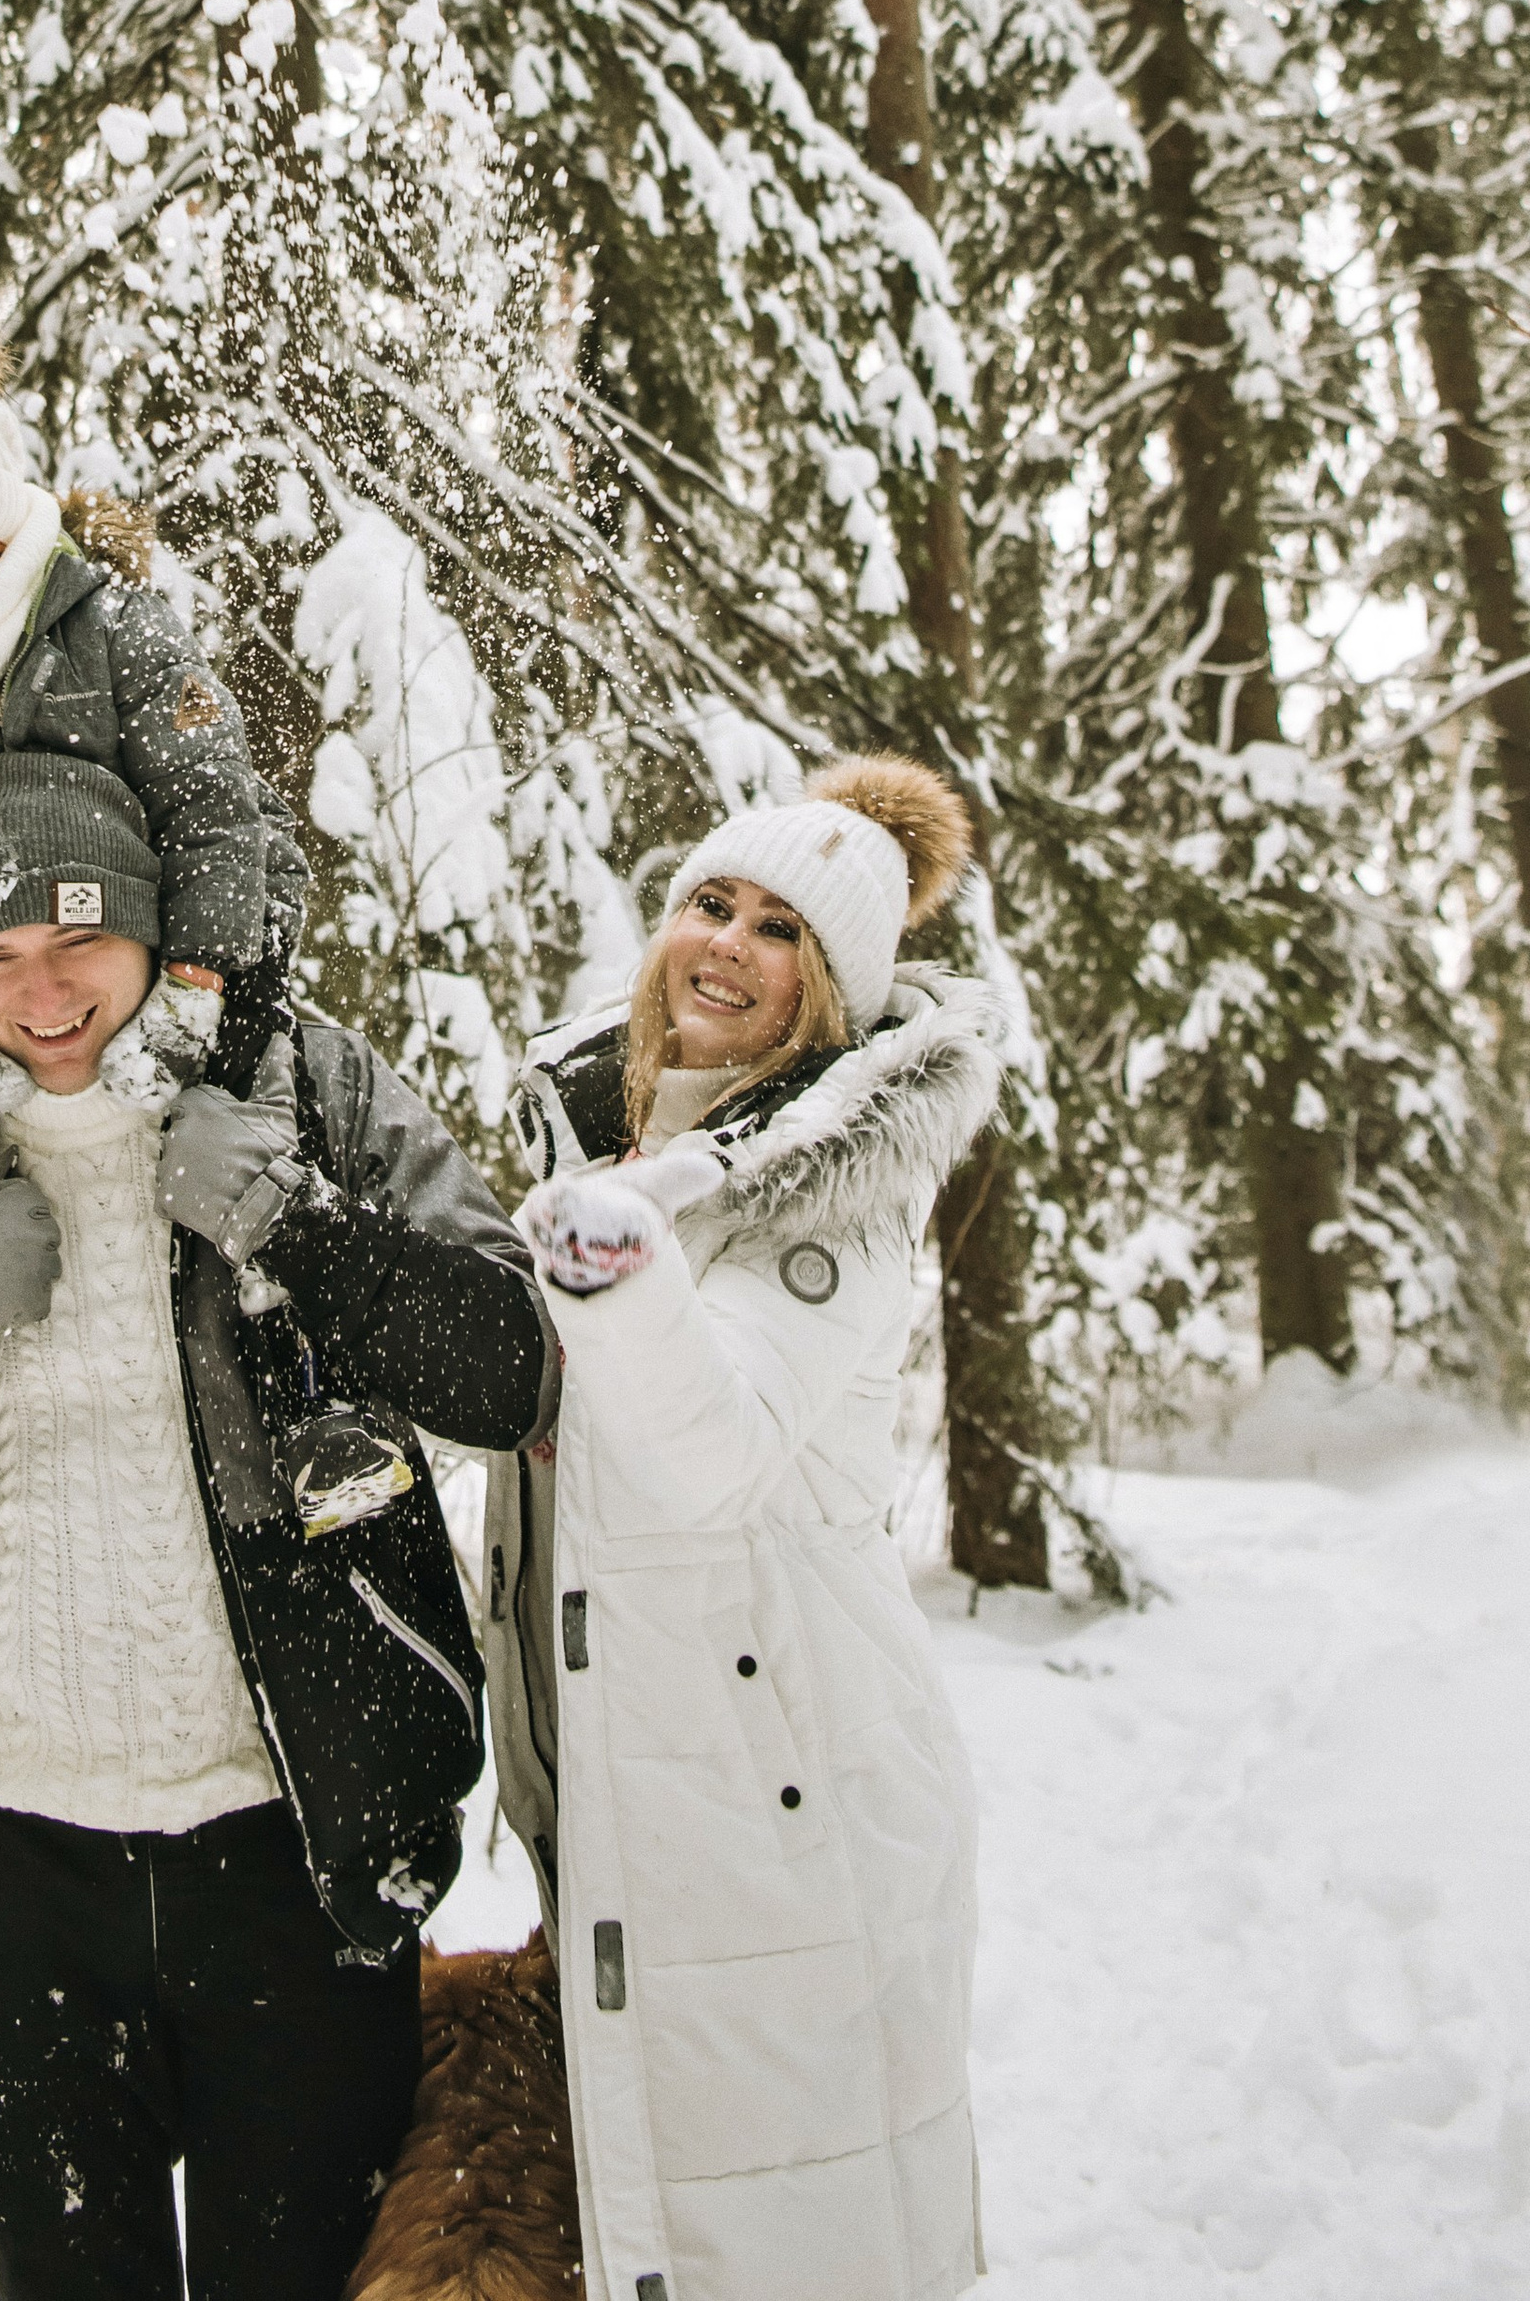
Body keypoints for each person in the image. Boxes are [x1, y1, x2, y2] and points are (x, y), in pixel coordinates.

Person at [0, 751, 556, 2301]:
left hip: (297, 1854)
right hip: (7, 1874)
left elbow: (507, 1365)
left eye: (80, 940)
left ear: (156, 928)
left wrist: (290, 1224)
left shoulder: (302, 1089)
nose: (41, 993)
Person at [485, 754, 1000, 2301]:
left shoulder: (836, 1193)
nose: (727, 941)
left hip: (788, 1798)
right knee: (667, 2210)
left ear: (830, 992)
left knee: (784, 2226)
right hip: (637, 1776)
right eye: (712, 901)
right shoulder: (605, 1135)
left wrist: (613, 1264)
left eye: (782, 929)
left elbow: (709, 1452)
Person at [0, 267, 308, 1278]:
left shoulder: (110, 626)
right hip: (5, 968)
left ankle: (280, 1341)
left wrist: (199, 985)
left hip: (207, 922)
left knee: (242, 1114)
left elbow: (209, 809)